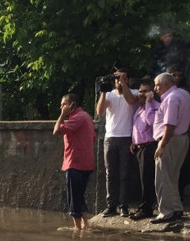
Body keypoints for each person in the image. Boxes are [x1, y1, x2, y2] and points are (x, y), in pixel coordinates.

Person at [151, 72, 190, 223]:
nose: (155, 89)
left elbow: (170, 125)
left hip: (170, 140)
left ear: (167, 84)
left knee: (163, 178)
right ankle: (176, 209)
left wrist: (162, 145)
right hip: (182, 138)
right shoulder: (184, 94)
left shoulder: (171, 98)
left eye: (157, 85)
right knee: (172, 177)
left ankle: (166, 212)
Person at [96, 69, 138, 217]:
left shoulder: (134, 92)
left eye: (122, 78)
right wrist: (103, 91)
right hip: (111, 138)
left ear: (128, 80)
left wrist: (123, 83)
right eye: (117, 79)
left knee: (125, 173)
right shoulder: (109, 95)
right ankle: (111, 205)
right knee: (110, 173)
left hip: (127, 137)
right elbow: (100, 111)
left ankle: (123, 205)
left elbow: (131, 101)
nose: (119, 81)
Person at [53, 93, 96, 230]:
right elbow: (93, 138)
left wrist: (62, 115)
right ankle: (85, 224)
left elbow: (56, 130)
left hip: (75, 163)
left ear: (72, 105)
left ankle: (77, 228)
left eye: (64, 104)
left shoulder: (78, 118)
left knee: (73, 197)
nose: (61, 107)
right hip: (85, 163)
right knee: (78, 195)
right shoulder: (86, 116)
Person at [129, 79, 160, 220]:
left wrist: (148, 103)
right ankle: (142, 207)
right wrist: (134, 142)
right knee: (142, 180)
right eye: (140, 91)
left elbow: (151, 122)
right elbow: (137, 127)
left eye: (146, 91)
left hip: (149, 147)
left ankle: (146, 209)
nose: (142, 94)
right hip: (139, 147)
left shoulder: (155, 107)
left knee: (147, 180)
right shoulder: (139, 108)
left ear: (152, 93)